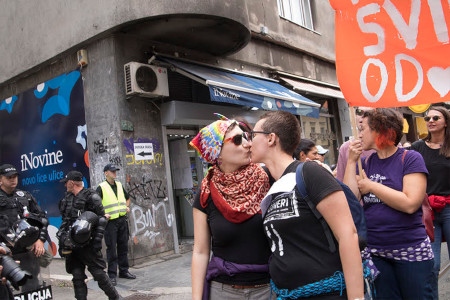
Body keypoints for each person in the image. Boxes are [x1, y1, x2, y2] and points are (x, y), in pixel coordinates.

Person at [250, 111, 364, 299]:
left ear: (271, 139)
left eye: (253, 135)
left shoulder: (310, 172)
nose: (249, 142)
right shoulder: (270, 182)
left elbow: (348, 234)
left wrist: (357, 297)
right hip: (287, 294)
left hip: (328, 292)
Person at [344, 108, 434, 299]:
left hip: (409, 250)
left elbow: (410, 203)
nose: (359, 134)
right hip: (376, 250)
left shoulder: (410, 158)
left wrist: (372, 186)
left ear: (380, 130)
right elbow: (350, 199)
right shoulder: (367, 162)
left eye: (363, 128)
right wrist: (351, 162)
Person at [190, 116, 273, 300]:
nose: (247, 143)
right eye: (237, 140)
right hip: (223, 291)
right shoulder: (206, 192)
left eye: (246, 136)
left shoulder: (268, 179)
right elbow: (200, 251)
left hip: (267, 289)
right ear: (216, 153)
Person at [58, 170, 122, 300]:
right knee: (77, 276)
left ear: (71, 183)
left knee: (98, 274)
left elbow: (102, 219)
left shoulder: (91, 196)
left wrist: (97, 240)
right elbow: (65, 220)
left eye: (66, 183)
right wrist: (62, 239)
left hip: (88, 244)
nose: (65, 185)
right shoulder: (67, 199)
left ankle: (116, 298)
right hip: (72, 244)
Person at [411, 106, 450, 300]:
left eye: (436, 117)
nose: (431, 120)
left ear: (446, 121)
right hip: (427, 210)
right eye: (427, 117)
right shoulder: (417, 147)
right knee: (431, 265)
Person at [0, 164, 49, 293]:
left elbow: (42, 219)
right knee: (7, 287)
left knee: (31, 284)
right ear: (1, 179)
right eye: (9, 177)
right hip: (6, 251)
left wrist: (40, 239)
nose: (13, 179)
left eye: (15, 176)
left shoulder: (25, 196)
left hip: (28, 250)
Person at [96, 164, 135, 286]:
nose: (115, 173)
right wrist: (103, 214)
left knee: (123, 246)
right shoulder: (101, 187)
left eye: (115, 171)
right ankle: (112, 275)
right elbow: (95, 204)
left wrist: (127, 207)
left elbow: (127, 198)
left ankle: (124, 271)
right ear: (106, 173)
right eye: (112, 171)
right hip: (110, 222)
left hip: (122, 220)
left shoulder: (118, 185)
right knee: (112, 249)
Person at [335, 107, 375, 181]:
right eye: (359, 112)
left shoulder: (389, 146)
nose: (362, 116)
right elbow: (341, 182)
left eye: (368, 113)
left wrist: (370, 185)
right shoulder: (345, 147)